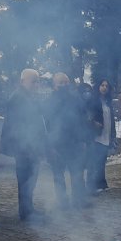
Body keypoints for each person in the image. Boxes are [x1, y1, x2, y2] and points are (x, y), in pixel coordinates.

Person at [1, 69, 48, 222]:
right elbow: (16, 126)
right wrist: (25, 146)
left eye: (38, 81)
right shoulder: (18, 98)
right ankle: (26, 212)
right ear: (23, 81)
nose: (37, 84)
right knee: (25, 180)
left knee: (31, 180)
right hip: (24, 147)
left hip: (31, 146)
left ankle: (29, 209)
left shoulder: (29, 96)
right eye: (33, 81)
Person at [46, 73, 88, 207]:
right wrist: (50, 146)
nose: (64, 85)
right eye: (61, 83)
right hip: (58, 145)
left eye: (66, 82)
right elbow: (47, 125)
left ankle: (79, 200)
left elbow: (82, 120)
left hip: (75, 143)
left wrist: (83, 140)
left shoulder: (76, 99)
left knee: (77, 173)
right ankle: (62, 202)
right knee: (59, 176)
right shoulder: (50, 102)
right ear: (54, 86)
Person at [86, 79, 116, 192]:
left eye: (106, 86)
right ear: (98, 87)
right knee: (93, 162)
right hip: (96, 136)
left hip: (106, 135)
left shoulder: (108, 102)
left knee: (102, 161)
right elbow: (87, 117)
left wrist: (113, 135)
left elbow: (111, 120)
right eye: (102, 85)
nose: (104, 88)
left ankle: (101, 184)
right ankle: (90, 186)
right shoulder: (93, 101)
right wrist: (93, 122)